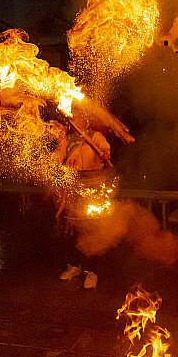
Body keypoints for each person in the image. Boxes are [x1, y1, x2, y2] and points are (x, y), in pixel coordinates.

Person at [55, 113, 112, 289]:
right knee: (73, 228)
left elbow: (105, 150)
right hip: (72, 186)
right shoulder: (67, 139)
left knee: (91, 229)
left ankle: (91, 271)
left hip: (93, 186)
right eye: (74, 118)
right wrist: (53, 163)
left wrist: (104, 154)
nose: (76, 121)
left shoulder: (95, 137)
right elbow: (58, 155)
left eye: (79, 118)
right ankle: (74, 266)